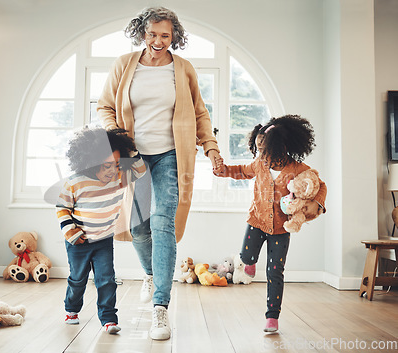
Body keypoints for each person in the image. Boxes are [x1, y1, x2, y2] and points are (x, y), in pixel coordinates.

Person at [97, 6, 223, 340]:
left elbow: (200, 113)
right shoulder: (124, 65)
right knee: (138, 227)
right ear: (142, 32)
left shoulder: (182, 69)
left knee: (162, 222)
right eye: (152, 34)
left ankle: (160, 308)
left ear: (174, 37)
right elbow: (105, 106)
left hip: (171, 154)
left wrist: (210, 146)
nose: (157, 41)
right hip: (133, 155)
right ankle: (151, 274)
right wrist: (116, 133)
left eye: (165, 35)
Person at [213, 115, 327, 333]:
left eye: (264, 151)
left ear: (281, 147)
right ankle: (250, 262)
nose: (260, 156)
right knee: (246, 258)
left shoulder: (298, 169)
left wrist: (317, 204)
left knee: (275, 272)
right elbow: (240, 171)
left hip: (281, 230)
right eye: (257, 150)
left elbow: (320, 185)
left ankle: (272, 317)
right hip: (256, 221)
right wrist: (223, 170)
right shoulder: (258, 165)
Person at [56, 127, 146, 334]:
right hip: (79, 241)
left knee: (106, 280)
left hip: (104, 240)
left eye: (116, 164)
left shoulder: (118, 178)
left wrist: (128, 149)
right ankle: (71, 309)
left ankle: (108, 319)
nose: (111, 170)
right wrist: (70, 232)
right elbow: (62, 208)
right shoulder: (75, 182)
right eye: (106, 166)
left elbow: (140, 170)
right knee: (78, 279)